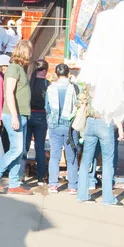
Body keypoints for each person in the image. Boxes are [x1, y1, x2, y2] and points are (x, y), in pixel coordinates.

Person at [0, 40, 33, 195]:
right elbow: (9, 93)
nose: (31, 55)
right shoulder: (14, 68)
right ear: (24, 52)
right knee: (17, 149)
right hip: (14, 114)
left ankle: (14, 184)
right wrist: (14, 116)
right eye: (29, 52)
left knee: (19, 151)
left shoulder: (19, 68)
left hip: (22, 114)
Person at [76, 85, 124, 207]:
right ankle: (108, 198)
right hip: (105, 122)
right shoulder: (109, 87)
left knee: (86, 159)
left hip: (90, 122)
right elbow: (115, 109)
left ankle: (82, 194)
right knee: (108, 160)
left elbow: (79, 102)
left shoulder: (89, 85)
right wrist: (120, 128)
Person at [45, 64, 80, 194]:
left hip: (54, 125)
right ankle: (73, 186)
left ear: (56, 73)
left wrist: (50, 117)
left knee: (55, 155)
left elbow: (47, 108)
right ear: (68, 73)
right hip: (70, 126)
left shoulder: (50, 88)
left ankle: (53, 184)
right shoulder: (74, 88)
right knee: (72, 157)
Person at [26, 59, 49, 185]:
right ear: (45, 70)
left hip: (28, 114)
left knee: (24, 146)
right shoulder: (48, 84)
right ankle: (41, 177)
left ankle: (20, 175)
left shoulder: (29, 83)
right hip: (41, 116)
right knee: (40, 147)